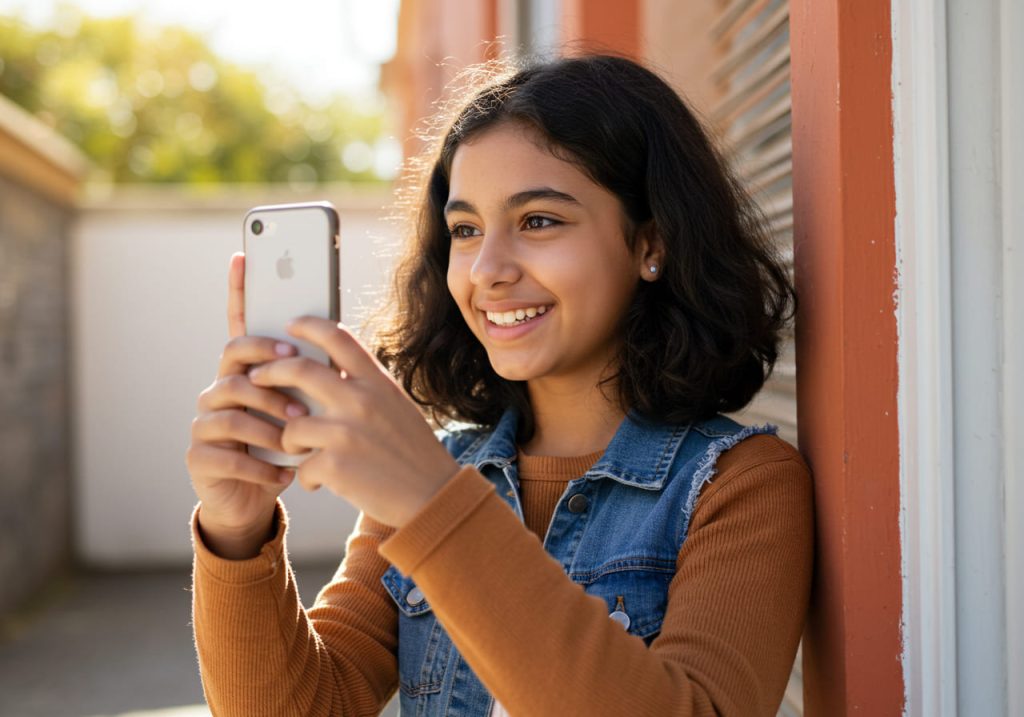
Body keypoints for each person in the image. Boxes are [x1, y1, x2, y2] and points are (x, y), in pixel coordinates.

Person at [186, 53, 813, 717]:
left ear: (649, 242)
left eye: (538, 220)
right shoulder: (442, 471)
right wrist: (236, 530)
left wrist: (434, 504)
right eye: (465, 230)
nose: (487, 269)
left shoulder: (740, 484)